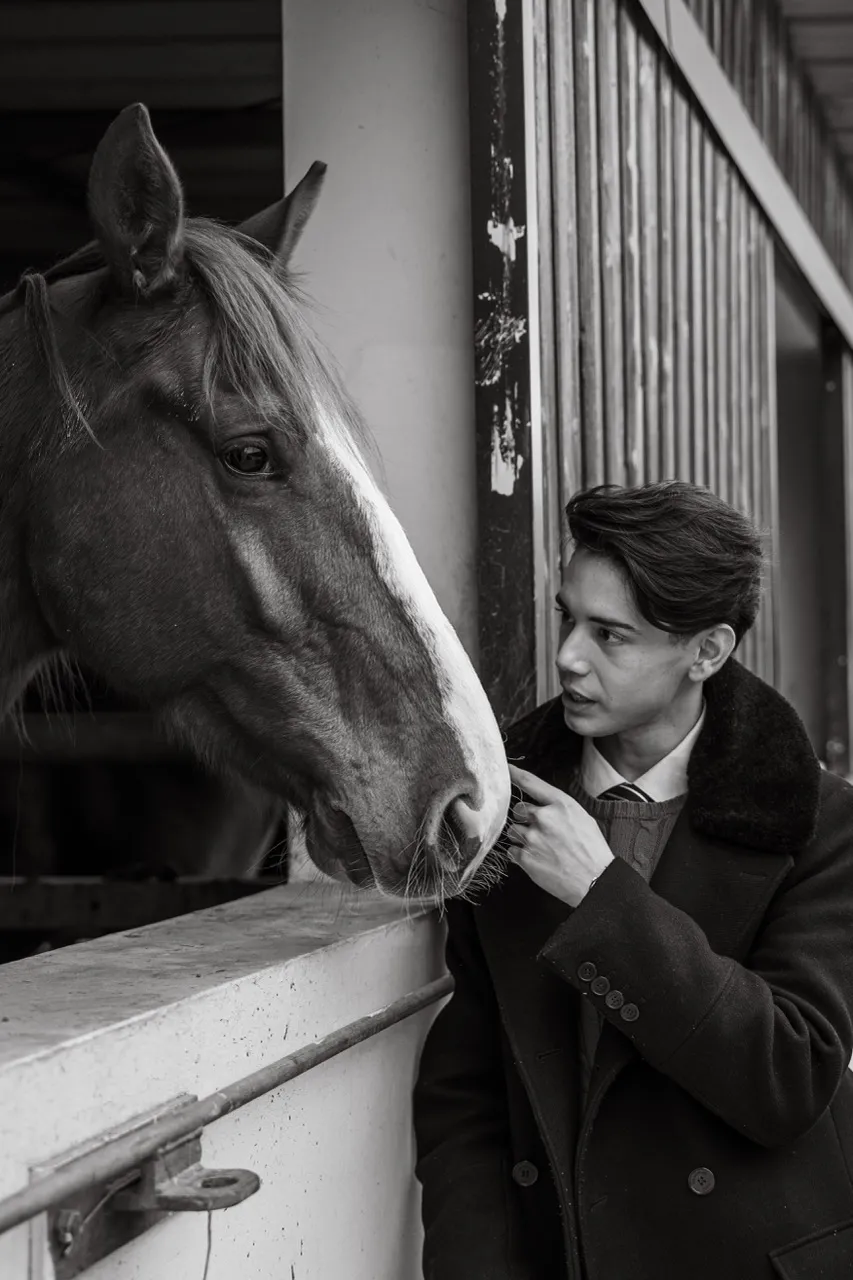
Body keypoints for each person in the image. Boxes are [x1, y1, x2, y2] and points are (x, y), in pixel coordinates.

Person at [413, 481, 853, 1280]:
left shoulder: (817, 823)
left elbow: (788, 1076)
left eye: (610, 636)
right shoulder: (503, 806)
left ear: (706, 653)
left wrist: (602, 897)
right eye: (567, 618)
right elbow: (469, 1089)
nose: (567, 658)